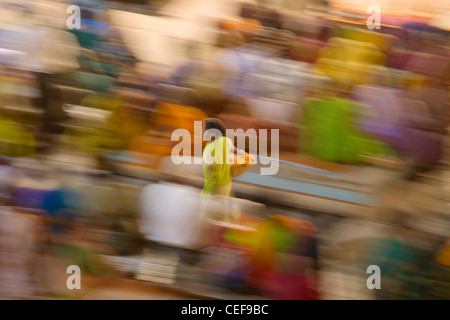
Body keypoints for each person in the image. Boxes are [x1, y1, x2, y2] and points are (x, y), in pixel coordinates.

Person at [202, 118, 244, 197]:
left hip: (213, 187)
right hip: (226, 184)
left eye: (204, 129)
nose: (202, 131)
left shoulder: (209, 149)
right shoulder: (227, 141)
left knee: (209, 208)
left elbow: (210, 166)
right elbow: (236, 150)